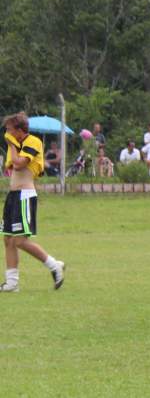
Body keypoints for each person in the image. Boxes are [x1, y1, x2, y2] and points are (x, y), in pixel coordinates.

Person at [1, 112, 65, 292]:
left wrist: (12, 144)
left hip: (24, 195)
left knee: (20, 241)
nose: (6, 133)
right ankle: (12, 283)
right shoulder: (15, 144)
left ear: (19, 131)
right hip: (12, 196)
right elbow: (10, 166)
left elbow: (19, 163)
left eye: (9, 130)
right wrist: (13, 144)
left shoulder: (33, 142)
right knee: (8, 239)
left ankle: (54, 266)